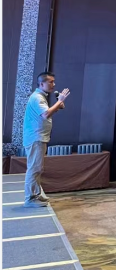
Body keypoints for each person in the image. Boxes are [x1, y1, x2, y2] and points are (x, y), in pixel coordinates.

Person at [22, 72, 70, 208]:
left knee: (37, 168)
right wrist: (59, 101)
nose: (53, 84)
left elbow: (46, 113)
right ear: (41, 84)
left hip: (38, 137)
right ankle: (30, 199)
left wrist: (58, 105)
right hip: (35, 137)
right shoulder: (37, 97)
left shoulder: (41, 96)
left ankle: (36, 194)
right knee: (34, 168)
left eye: (54, 81)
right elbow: (46, 114)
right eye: (51, 82)